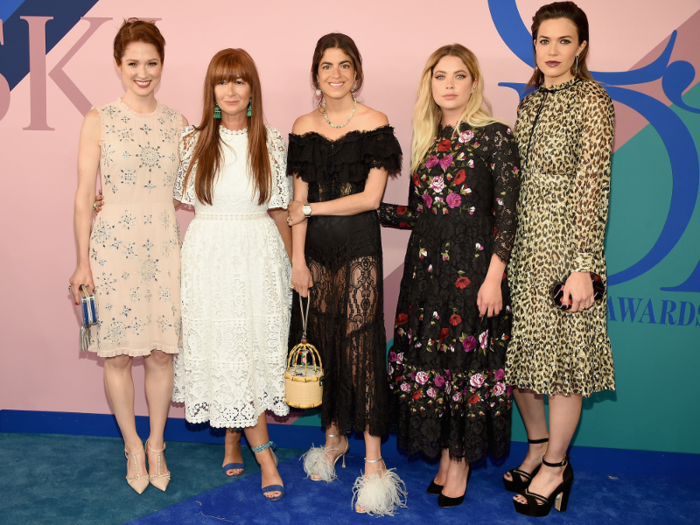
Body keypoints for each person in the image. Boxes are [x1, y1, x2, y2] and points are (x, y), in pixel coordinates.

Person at [379, 44, 519, 509]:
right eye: (441, 76)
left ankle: (459, 462)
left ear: (474, 83)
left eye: (460, 76)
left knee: (465, 368)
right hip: (426, 275)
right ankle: (444, 455)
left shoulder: (496, 137)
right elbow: (420, 213)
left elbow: (508, 215)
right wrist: (363, 208)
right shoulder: (428, 140)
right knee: (436, 367)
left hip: (475, 276)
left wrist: (494, 277)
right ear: (431, 84)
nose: (451, 84)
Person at [286, 33, 406, 516]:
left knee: (360, 345)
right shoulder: (302, 125)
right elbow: (295, 207)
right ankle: (334, 439)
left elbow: (369, 199)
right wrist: (297, 260)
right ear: (315, 74)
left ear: (357, 73)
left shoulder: (375, 123)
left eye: (344, 65)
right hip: (314, 251)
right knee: (324, 338)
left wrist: (312, 207)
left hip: (359, 247)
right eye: (326, 66)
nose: (335, 74)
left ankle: (374, 462)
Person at [503, 1, 615, 517]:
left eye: (564, 41)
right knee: (522, 361)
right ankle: (536, 445)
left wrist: (584, 265)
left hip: (568, 249)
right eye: (544, 41)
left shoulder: (594, 100)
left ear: (582, 46)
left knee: (566, 365)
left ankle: (555, 465)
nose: (552, 51)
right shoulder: (529, 100)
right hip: (522, 248)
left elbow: (593, 186)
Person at [69, 18, 186, 494]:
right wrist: (82, 262)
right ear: (118, 65)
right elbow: (83, 197)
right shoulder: (98, 118)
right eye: (133, 63)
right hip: (112, 248)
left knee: (161, 352)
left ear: (162, 64)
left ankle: (157, 443)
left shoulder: (178, 122)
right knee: (115, 354)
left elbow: (198, 184)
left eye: (152, 63)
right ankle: (132, 445)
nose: (144, 73)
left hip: (162, 244)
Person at [171, 48, 292, 502]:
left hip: (259, 256)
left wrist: (292, 263)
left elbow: (280, 210)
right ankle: (263, 454)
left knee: (255, 350)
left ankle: (234, 435)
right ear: (213, 91)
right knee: (223, 347)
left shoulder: (273, 141)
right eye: (223, 81)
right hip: (208, 258)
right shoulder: (193, 141)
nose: (231, 89)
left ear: (252, 89)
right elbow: (164, 198)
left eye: (240, 81)